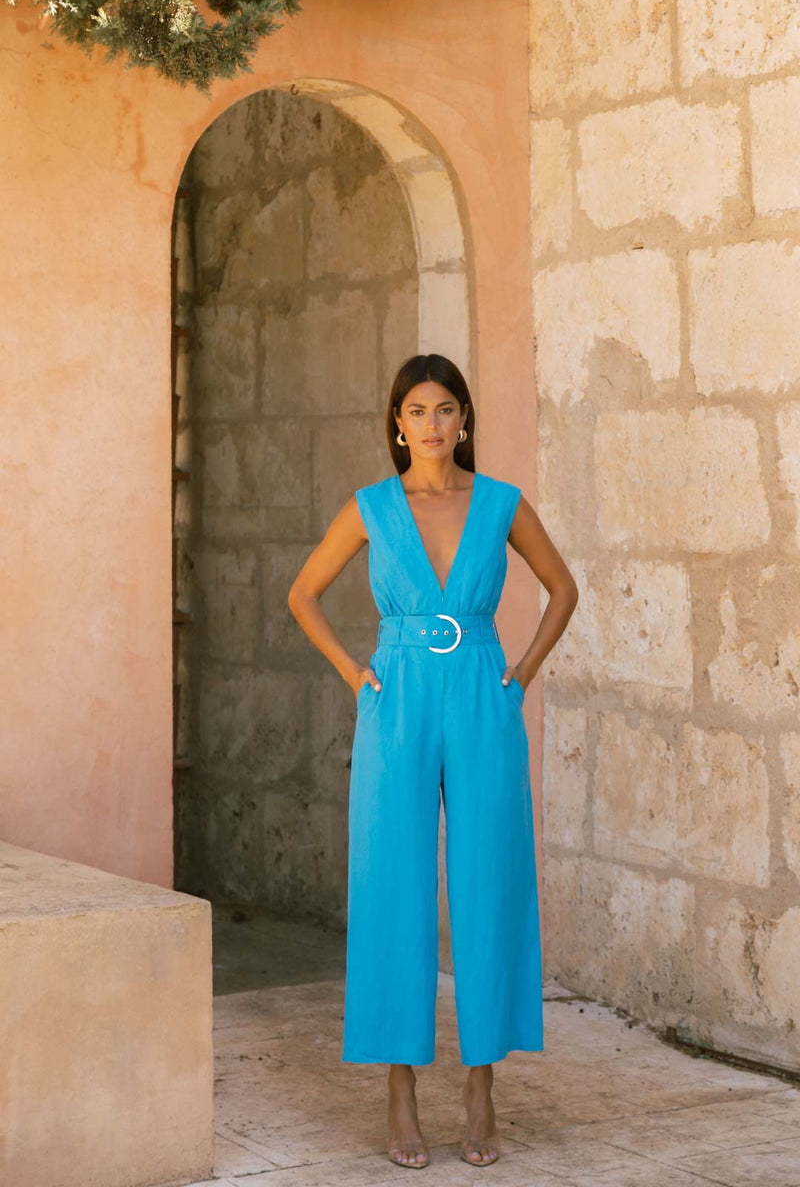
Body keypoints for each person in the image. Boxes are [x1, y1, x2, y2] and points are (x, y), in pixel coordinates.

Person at [288, 353, 579, 1170]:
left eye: (446, 409)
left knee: (490, 879)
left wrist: (518, 675)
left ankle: (482, 1085)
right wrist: (357, 676)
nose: (432, 424)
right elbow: (302, 593)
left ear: (464, 421)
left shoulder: (500, 505)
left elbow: (562, 587)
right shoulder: (372, 508)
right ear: (397, 425)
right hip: (398, 701)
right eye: (417, 411)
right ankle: (400, 1089)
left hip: (483, 695)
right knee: (393, 884)